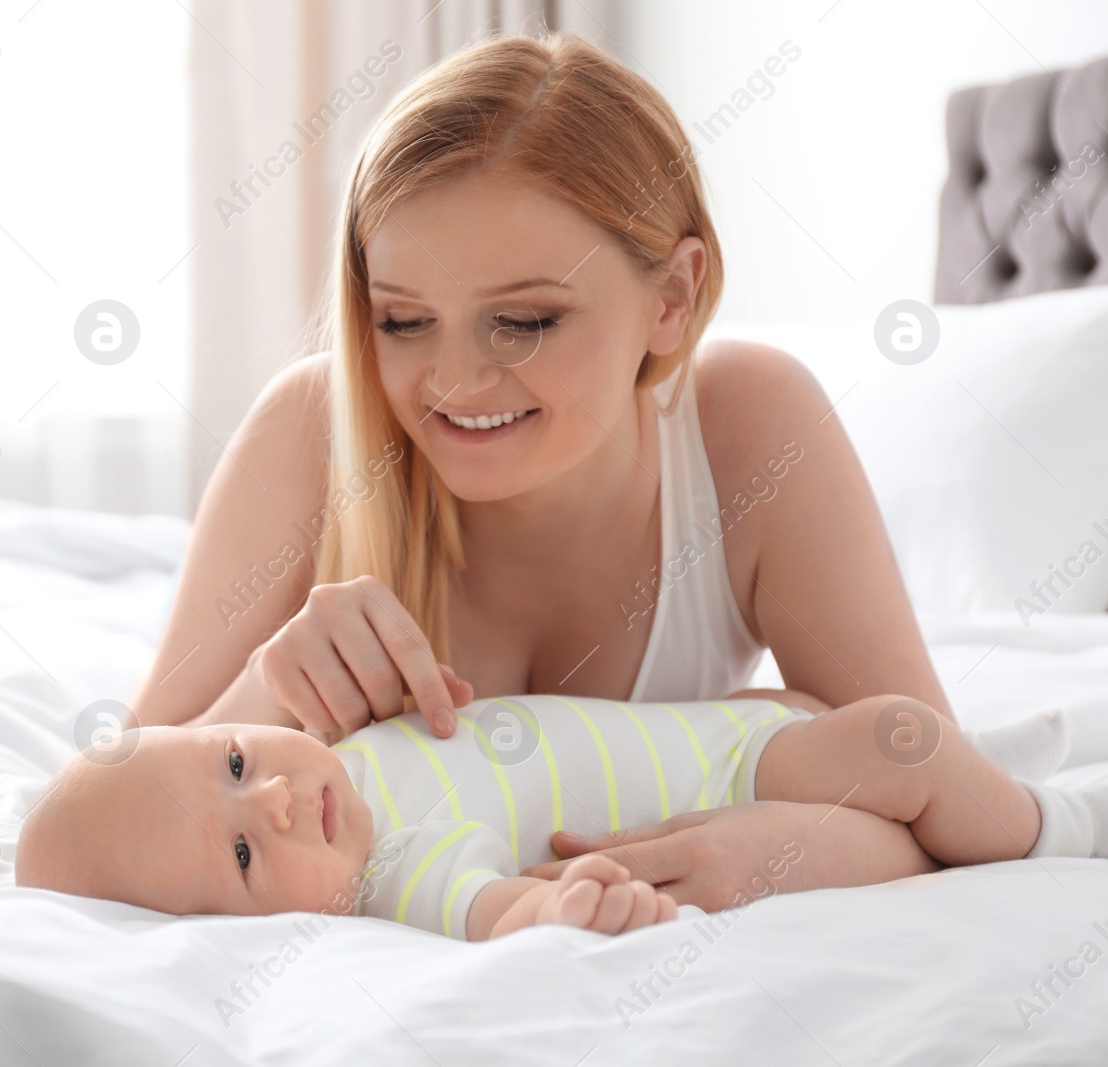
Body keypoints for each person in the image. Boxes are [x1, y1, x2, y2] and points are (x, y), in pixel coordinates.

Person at [130, 32, 988, 908]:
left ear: (672, 298)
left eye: (526, 321)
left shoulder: (752, 426)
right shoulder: (311, 431)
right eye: (403, 321)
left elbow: (941, 789)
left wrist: (775, 851)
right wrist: (267, 690)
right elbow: (119, 808)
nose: (455, 383)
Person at [17, 694, 1104, 940]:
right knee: (897, 736)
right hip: (734, 777)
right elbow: (498, 911)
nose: (277, 795)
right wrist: (567, 907)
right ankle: (1056, 826)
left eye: (236, 760)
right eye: (246, 849)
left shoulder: (339, 749)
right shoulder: (396, 863)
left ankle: (989, 777)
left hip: (733, 719)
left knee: (885, 736)